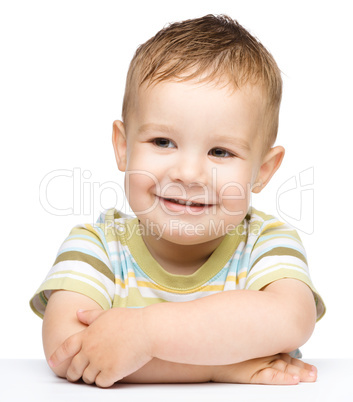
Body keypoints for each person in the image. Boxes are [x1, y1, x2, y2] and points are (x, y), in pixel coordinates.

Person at [30, 14, 325, 388]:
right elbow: (69, 351)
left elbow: (291, 321)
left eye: (220, 151)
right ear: (123, 147)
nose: (188, 174)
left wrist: (144, 334)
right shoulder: (98, 245)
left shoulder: (266, 242)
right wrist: (221, 367)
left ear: (262, 171)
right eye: (163, 142)